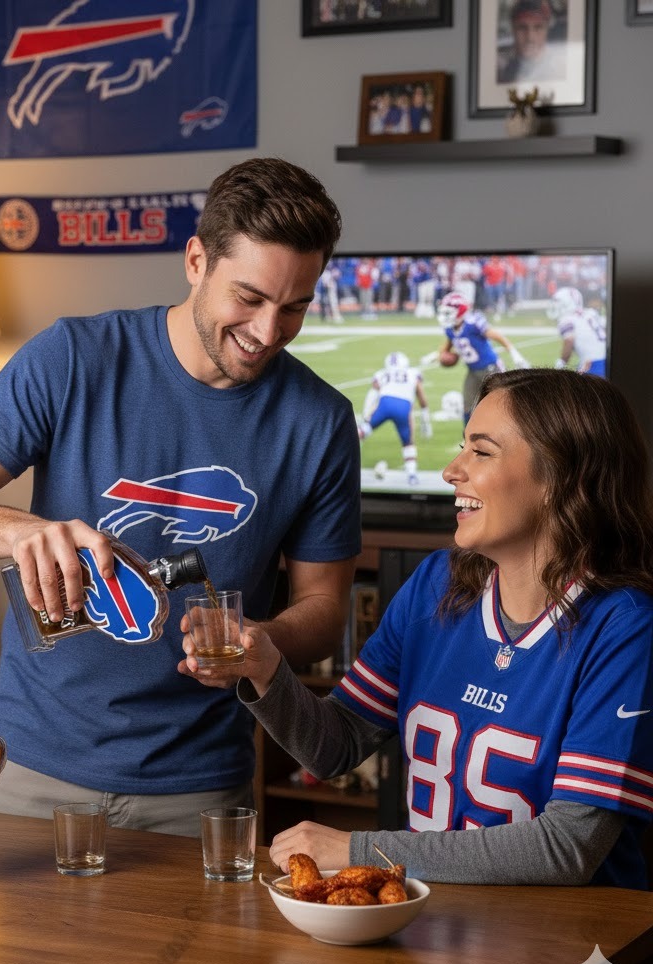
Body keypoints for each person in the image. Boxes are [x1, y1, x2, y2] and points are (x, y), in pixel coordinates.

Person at [0, 157, 362, 838]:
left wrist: (262, 639)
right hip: (28, 769)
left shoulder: (321, 421)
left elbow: (323, 609)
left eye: (294, 307)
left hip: (201, 787)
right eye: (250, 299)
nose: (268, 332)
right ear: (196, 260)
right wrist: (21, 533)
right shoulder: (74, 357)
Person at [189, 369, 653, 888]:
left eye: (481, 452)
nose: (452, 470)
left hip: (565, 943)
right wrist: (267, 668)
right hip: (439, 926)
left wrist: (356, 849)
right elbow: (333, 746)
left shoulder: (624, 625)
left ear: (560, 478)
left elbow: (567, 846)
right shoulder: (437, 584)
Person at [436, 290, 529, 424]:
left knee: (501, 403)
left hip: (490, 368)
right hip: (473, 371)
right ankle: (468, 438)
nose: (445, 316)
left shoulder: (473, 323)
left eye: (448, 312)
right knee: (468, 407)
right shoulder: (450, 328)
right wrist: (440, 356)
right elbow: (447, 348)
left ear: (460, 311)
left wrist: (514, 352)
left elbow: (496, 336)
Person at [357, 351, 431, 487]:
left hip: (384, 404)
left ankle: (342, 454)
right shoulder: (413, 373)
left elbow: (373, 394)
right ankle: (412, 475)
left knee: (362, 431)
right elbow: (421, 394)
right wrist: (425, 415)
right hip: (403, 406)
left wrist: (366, 415)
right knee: (408, 442)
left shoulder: (381, 373)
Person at [497, 0, 566, 85]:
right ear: (513, 30)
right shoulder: (505, 71)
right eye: (522, 28)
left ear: (547, 30)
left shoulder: (560, 68)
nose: (530, 37)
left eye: (538, 28)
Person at [549, 286, 608, 377]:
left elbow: (569, 340)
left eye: (559, 303)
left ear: (567, 303)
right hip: (607, 359)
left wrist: (561, 363)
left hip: (592, 363)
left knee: (575, 387)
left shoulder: (567, 320)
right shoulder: (591, 313)